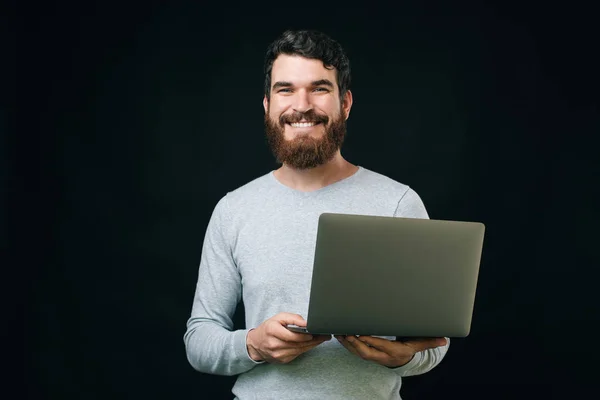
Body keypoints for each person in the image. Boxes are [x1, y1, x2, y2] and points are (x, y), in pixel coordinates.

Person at [184, 29, 450, 399]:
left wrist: (401, 359)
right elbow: (199, 339)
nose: (303, 104)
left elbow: (434, 343)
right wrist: (253, 345)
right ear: (267, 105)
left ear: (346, 103)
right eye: (286, 89)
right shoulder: (234, 209)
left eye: (320, 88)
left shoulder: (398, 204)